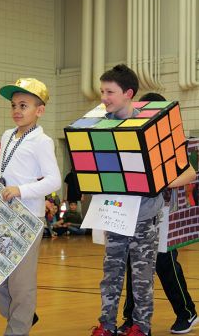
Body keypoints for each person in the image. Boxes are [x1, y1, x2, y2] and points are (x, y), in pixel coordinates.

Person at [90, 65, 196, 336]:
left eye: (109, 92)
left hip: (146, 216)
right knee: (111, 274)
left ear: (128, 94)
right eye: (102, 91)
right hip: (115, 215)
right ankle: (107, 325)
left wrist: (155, 181)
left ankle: (141, 327)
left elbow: (189, 172)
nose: (103, 97)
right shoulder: (101, 125)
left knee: (142, 277)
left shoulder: (155, 128)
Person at [0, 77, 61, 336]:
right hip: (2, 215)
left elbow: (54, 179)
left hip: (28, 219)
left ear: (39, 110)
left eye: (23, 105)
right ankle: (24, 316)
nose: (16, 111)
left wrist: (21, 191)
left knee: (21, 284)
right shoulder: (7, 136)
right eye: (13, 105)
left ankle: (17, 329)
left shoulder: (42, 142)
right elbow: (4, 169)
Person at [117, 93, 198, 336]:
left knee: (165, 262)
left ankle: (187, 312)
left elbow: (190, 174)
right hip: (138, 212)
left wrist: (162, 182)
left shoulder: (173, 141)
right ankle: (130, 318)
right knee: (134, 263)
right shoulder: (134, 140)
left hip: (164, 214)